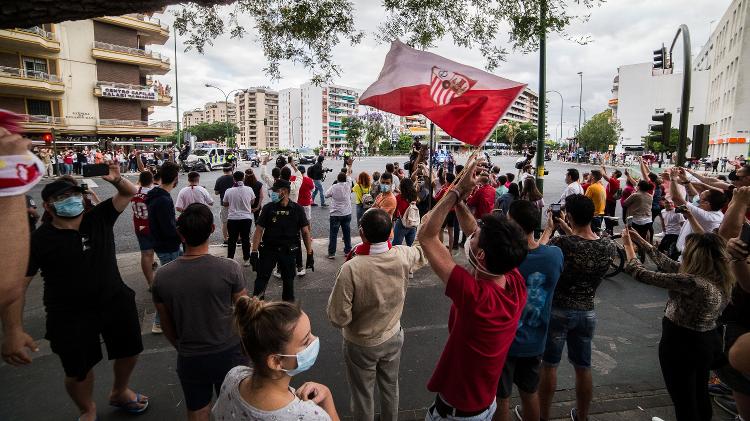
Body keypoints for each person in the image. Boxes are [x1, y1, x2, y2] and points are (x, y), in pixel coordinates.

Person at [1, 168, 148, 421]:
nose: (72, 199)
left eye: (74, 194)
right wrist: (13, 330)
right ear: (48, 206)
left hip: (115, 301)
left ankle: (120, 390)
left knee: (130, 350)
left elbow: (131, 192)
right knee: (78, 370)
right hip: (68, 315)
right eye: (63, 197)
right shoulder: (38, 240)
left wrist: (117, 179)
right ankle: (86, 408)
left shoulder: (99, 217)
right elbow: (17, 286)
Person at [418, 157, 528, 421]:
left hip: (457, 414)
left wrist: (455, 190)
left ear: (479, 256)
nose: (473, 233)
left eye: (476, 237)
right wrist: (461, 200)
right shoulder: (514, 283)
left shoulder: (475, 297)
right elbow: (474, 230)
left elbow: (426, 236)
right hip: (483, 404)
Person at [327, 208, 429, 421]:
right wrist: (427, 223)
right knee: (390, 387)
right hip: (392, 335)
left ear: (362, 232)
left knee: (363, 393)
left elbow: (338, 317)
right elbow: (422, 251)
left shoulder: (351, 268)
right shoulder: (402, 255)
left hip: (360, 342)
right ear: (391, 231)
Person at [623, 228, 733, 421]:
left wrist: (627, 247)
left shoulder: (693, 282)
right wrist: (640, 240)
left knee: (683, 399)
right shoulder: (719, 277)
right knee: (699, 393)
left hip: (681, 344)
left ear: (696, 257)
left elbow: (639, 273)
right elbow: (668, 263)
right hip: (706, 343)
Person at [152, 203, 248, 421]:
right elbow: (245, 311)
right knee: (236, 407)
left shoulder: (162, 276)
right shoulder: (230, 268)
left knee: (197, 410)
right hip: (230, 350)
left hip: (190, 355)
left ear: (180, 234)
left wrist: (180, 345)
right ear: (213, 229)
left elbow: (165, 322)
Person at [538, 194, 616, 421]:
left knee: (550, 365)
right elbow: (585, 244)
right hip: (587, 311)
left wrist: (550, 229)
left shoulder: (562, 244)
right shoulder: (608, 246)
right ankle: (582, 416)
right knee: (583, 366)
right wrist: (566, 226)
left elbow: (540, 253)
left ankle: (543, 416)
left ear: (569, 215)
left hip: (558, 310)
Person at [212, 297, 340, 420]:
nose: (314, 340)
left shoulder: (233, 377)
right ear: (276, 361)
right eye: (306, 341)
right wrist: (327, 397)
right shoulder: (309, 416)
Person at [495, 200, 563, 421]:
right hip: (535, 342)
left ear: (512, 223)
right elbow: (538, 250)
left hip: (504, 342)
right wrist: (550, 231)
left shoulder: (505, 260)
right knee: (530, 393)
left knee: (501, 397)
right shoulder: (554, 256)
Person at [250, 179, 314, 302]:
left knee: (288, 285)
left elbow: (305, 232)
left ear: (284, 191)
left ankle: (286, 314)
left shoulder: (297, 209)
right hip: (269, 250)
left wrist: (310, 253)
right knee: (261, 283)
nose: (272, 194)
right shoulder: (269, 208)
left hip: (288, 252)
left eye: (275, 191)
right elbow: (259, 230)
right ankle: (256, 311)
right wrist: (254, 251)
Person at [146, 161, 182, 334]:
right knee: (171, 286)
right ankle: (159, 322)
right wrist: (180, 230)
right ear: (175, 179)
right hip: (168, 246)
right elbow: (168, 228)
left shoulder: (155, 195)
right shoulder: (163, 199)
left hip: (162, 244)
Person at [669, 168, 726, 254]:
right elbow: (694, 196)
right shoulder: (711, 209)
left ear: (706, 203)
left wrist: (673, 178)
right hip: (684, 251)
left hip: (689, 256)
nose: (698, 197)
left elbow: (676, 198)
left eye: (701, 197)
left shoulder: (707, 217)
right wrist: (685, 180)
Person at [131, 170, 157, 293]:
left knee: (145, 253)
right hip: (152, 226)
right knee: (159, 251)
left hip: (139, 225)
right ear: (152, 180)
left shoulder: (134, 191)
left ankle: (150, 283)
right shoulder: (153, 193)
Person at [223, 171, 256, 266]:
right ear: (243, 178)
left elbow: (225, 203)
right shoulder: (249, 189)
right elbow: (252, 202)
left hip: (233, 218)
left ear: (234, 179)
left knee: (232, 239)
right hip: (246, 218)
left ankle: (230, 259)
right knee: (245, 238)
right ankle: (246, 259)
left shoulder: (229, 190)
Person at [325, 172, 353, 259]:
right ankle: (348, 251)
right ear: (345, 179)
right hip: (346, 213)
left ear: (337, 179)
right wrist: (349, 166)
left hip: (335, 214)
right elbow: (349, 177)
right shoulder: (348, 185)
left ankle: (331, 253)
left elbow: (326, 195)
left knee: (333, 234)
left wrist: (333, 185)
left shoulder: (334, 187)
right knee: (347, 233)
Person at [623, 180, 655, 257]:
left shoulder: (635, 195)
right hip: (647, 221)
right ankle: (642, 253)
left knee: (631, 237)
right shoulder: (650, 196)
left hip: (636, 220)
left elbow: (625, 203)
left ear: (639, 187)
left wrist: (633, 193)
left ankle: (629, 253)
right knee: (642, 238)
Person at [393, 177, 419, 246]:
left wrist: (394, 218)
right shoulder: (414, 196)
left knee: (396, 246)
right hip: (412, 223)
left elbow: (395, 211)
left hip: (402, 224)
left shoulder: (399, 197)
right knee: (411, 246)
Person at [214, 164, 235, 246]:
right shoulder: (235, 177)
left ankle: (226, 240)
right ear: (231, 169)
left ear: (223, 170)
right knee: (237, 220)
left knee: (225, 222)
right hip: (235, 203)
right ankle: (239, 239)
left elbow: (216, 192)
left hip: (224, 203)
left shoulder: (220, 179)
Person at [600, 167, 622, 235]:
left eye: (613, 172)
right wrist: (604, 168)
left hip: (609, 202)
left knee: (608, 216)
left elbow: (604, 175)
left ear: (615, 174)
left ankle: (609, 231)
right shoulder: (616, 181)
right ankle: (609, 230)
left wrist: (601, 168)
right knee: (609, 216)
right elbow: (606, 176)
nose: (612, 173)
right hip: (611, 201)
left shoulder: (613, 181)